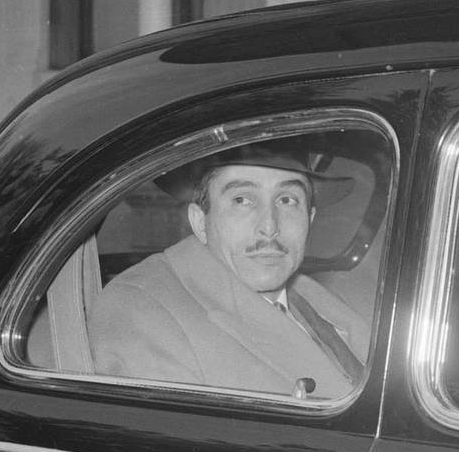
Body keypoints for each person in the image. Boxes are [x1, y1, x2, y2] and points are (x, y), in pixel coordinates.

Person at [88, 138, 368, 398]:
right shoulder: (142, 309)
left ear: (310, 217)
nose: (269, 227)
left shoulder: (314, 296)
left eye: (287, 200)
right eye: (242, 200)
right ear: (200, 222)